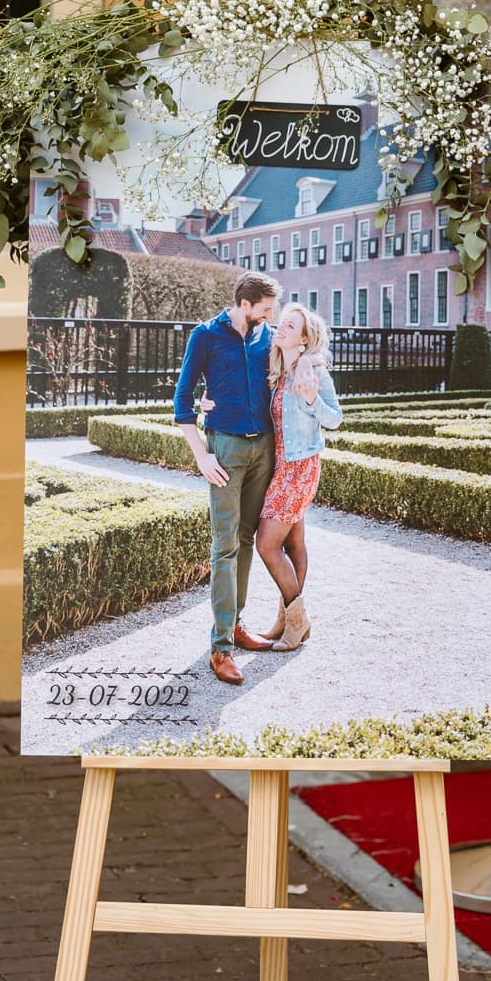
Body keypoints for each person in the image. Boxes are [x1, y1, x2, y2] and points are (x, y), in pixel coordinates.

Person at [174, 272, 282, 684]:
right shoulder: (205, 336)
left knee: (244, 540)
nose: (270, 316)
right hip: (225, 450)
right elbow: (182, 400)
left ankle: (236, 625)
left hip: (264, 449)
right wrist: (201, 455)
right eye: (266, 309)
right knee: (224, 544)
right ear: (245, 304)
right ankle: (220, 648)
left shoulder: (265, 337)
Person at [255, 305, 341, 652]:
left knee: (267, 544)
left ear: (304, 339)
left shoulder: (313, 371)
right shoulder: (279, 370)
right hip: (280, 465)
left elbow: (335, 419)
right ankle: (286, 622)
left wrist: (311, 399)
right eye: (282, 323)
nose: (281, 328)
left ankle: (297, 620)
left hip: (300, 466)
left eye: (291, 325)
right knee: (293, 545)